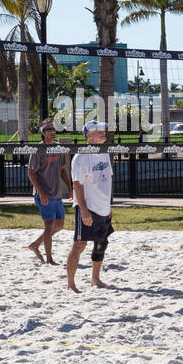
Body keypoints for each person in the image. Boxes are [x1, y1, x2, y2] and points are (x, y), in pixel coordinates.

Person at [67, 120, 113, 292]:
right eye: (98, 130)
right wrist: (84, 210)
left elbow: (106, 180)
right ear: (88, 135)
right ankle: (71, 284)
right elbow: (77, 185)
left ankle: (95, 279)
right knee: (79, 244)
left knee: (101, 243)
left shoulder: (104, 153)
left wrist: (109, 207)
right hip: (88, 208)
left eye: (103, 129)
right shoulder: (81, 156)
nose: (103, 132)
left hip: (103, 207)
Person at [27, 118, 72, 264]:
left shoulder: (58, 147)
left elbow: (62, 170)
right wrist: (41, 193)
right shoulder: (38, 150)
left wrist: (70, 188)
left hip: (56, 193)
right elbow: (31, 173)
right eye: (49, 129)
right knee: (49, 226)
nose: (53, 132)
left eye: (54, 129)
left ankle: (35, 245)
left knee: (59, 225)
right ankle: (49, 259)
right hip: (44, 194)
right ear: (43, 132)